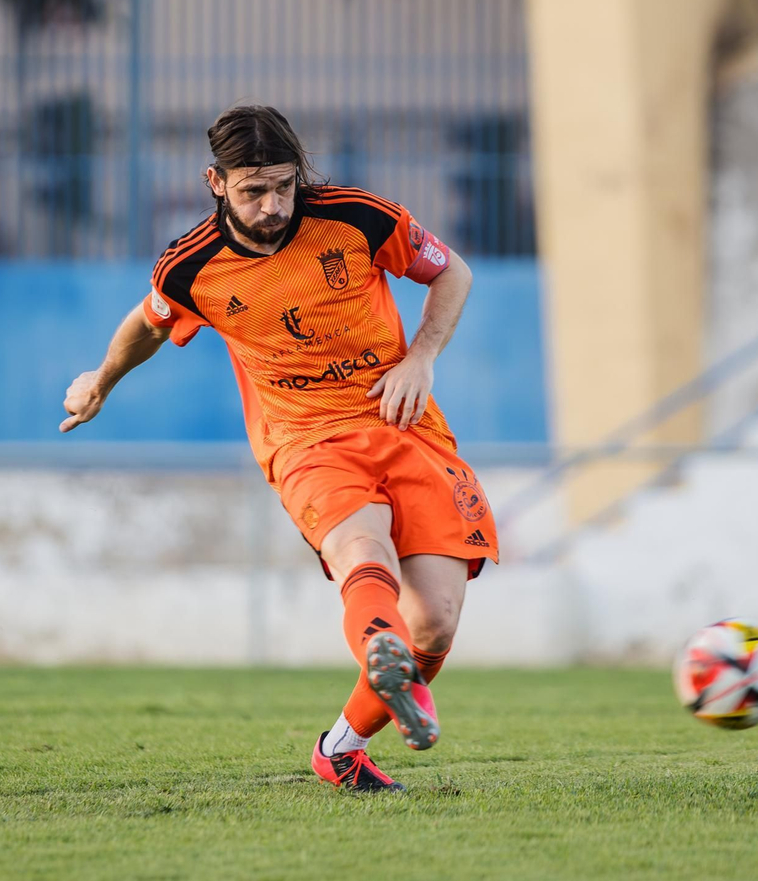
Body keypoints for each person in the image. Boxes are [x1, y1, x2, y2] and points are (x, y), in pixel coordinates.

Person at [60, 105, 498, 793]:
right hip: (306, 441)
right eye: (252, 190)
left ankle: (343, 745)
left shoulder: (358, 218)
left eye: (284, 187)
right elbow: (147, 324)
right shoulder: (192, 266)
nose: (271, 206)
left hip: (404, 423)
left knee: (436, 623)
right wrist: (100, 380)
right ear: (215, 182)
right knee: (363, 549)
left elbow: (454, 273)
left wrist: (421, 357)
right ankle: (382, 646)